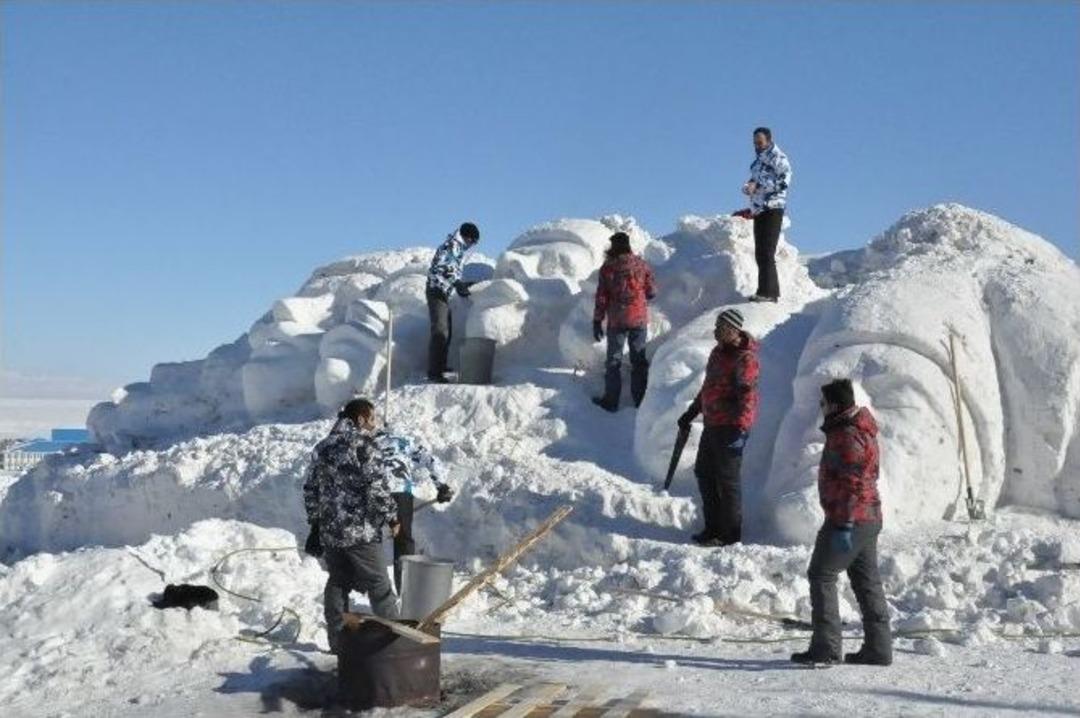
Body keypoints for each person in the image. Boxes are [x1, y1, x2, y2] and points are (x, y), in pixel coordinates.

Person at [791, 379, 892, 666]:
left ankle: (826, 648)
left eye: (823, 403)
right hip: (869, 517)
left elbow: (853, 482)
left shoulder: (846, 435)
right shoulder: (858, 431)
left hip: (849, 518)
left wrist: (844, 522)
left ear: (834, 405)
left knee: (821, 575)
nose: (820, 409)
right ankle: (879, 648)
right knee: (866, 582)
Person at [302, 398, 400, 653]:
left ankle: (338, 641)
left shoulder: (323, 447)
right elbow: (377, 487)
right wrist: (392, 516)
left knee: (338, 581)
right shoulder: (363, 446)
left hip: (331, 531)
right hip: (360, 531)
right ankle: (394, 644)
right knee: (379, 585)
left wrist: (315, 524)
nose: (374, 423)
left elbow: (311, 489)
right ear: (360, 419)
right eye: (372, 418)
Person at [677, 308, 759, 546]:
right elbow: (709, 388)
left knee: (728, 481)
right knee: (704, 473)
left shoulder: (745, 359)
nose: (715, 331)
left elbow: (748, 396)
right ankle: (712, 528)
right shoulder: (717, 352)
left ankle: (730, 535)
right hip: (712, 424)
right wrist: (691, 412)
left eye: (720, 328)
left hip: (731, 428)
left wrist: (742, 428)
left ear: (733, 331)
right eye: (716, 326)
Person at [372, 427, 455, 593]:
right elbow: (428, 459)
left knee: (369, 542)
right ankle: (405, 593)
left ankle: (375, 591)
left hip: (374, 492)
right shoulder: (403, 440)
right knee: (403, 540)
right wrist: (441, 485)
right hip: (401, 491)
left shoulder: (367, 443)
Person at [591, 232, 657, 412]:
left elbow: (602, 298)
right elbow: (652, 291)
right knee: (639, 360)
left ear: (613, 247)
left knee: (613, 361)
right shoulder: (641, 265)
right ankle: (641, 401)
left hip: (617, 320)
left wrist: (597, 320)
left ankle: (611, 401)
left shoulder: (608, 268)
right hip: (639, 319)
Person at [742, 127, 792, 303]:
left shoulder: (779, 158)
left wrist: (759, 185)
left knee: (767, 251)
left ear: (769, 141)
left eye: (760, 142)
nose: (757, 145)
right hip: (759, 210)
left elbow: (784, 182)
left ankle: (770, 293)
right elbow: (754, 179)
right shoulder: (758, 162)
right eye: (755, 142)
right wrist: (749, 186)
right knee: (760, 252)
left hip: (773, 208)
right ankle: (763, 291)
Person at [427, 222, 480, 383]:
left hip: (444, 293)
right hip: (436, 291)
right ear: (468, 237)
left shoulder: (457, 248)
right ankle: (434, 372)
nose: (472, 246)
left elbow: (452, 270)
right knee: (440, 331)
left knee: (446, 332)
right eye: (473, 242)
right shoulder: (451, 245)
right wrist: (457, 283)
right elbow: (442, 267)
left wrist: (461, 284)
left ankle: (440, 366)